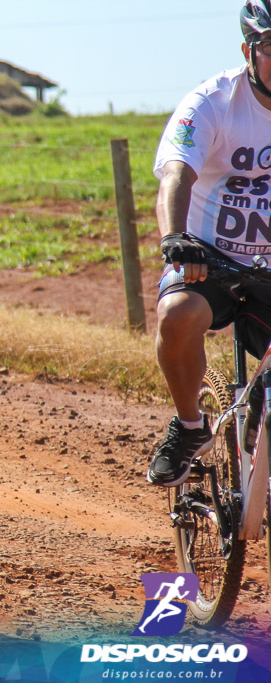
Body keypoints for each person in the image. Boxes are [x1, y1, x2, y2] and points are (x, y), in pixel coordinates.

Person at [148, 0, 271, 486]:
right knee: (178, 315)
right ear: (248, 50)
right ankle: (189, 426)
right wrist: (177, 238)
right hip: (208, 261)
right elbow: (177, 172)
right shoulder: (213, 101)